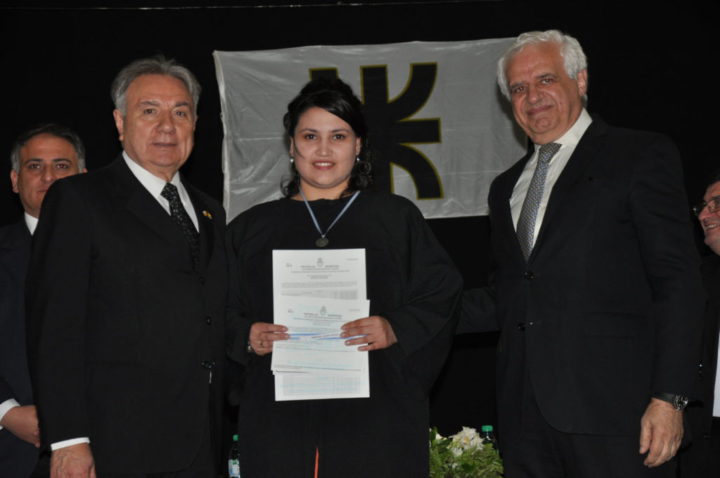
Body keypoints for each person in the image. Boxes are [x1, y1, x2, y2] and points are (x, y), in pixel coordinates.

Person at [459, 30, 704, 477]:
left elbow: (678, 281)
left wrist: (670, 398)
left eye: (546, 79)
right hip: (525, 421)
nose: (532, 96)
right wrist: (403, 315)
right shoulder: (504, 189)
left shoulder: (638, 154)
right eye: (518, 88)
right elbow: (510, 296)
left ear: (581, 80)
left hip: (620, 418)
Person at [226, 77, 462, 477]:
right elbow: (213, 309)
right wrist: (244, 336)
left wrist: (396, 327)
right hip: (279, 423)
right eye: (309, 136)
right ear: (291, 146)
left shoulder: (395, 219)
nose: (323, 149)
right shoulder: (251, 229)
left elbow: (443, 292)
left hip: (374, 421)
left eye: (338, 136)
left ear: (358, 145)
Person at [26, 56, 228, 478]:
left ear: (195, 123)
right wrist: (68, 441)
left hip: (203, 440)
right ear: (120, 123)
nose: (167, 126)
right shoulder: (79, 200)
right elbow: (56, 328)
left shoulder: (210, 211)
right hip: (115, 444)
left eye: (180, 112)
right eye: (149, 110)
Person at [1, 123, 85, 478]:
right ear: (15, 180)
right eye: (35, 166)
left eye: (62, 166)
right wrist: (5, 411)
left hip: (110, 447)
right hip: (13, 450)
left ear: (83, 176)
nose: (48, 177)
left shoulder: (122, 253)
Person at [678, 176, 720, 477]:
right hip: (705, 441)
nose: (704, 215)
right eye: (702, 207)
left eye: (716, 205)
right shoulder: (696, 281)